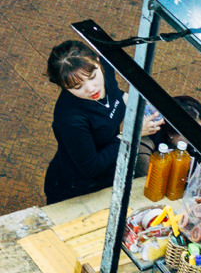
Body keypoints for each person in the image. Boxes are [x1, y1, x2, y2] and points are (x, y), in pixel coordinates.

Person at [44, 40, 162, 206]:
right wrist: (132, 133)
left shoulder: (106, 71)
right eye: (77, 87)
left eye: (93, 77)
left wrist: (137, 104)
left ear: (98, 62)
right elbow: (91, 166)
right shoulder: (70, 120)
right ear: (64, 87)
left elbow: (115, 94)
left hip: (109, 174)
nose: (91, 89)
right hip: (76, 188)